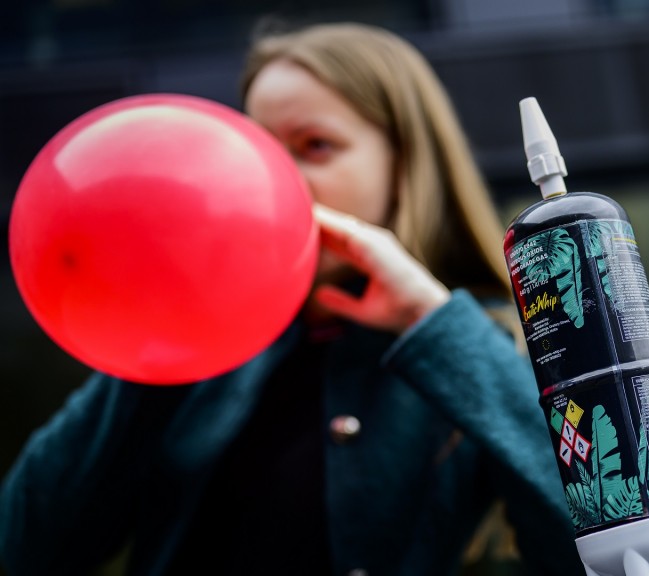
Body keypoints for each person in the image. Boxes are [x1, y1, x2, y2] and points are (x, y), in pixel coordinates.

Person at [0, 22, 584, 576]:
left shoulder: (480, 342)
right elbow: (30, 546)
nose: (272, 176)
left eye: (315, 146)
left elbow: (592, 544)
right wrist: (157, 325)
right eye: (255, 147)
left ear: (405, 165)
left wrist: (432, 322)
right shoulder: (202, 341)